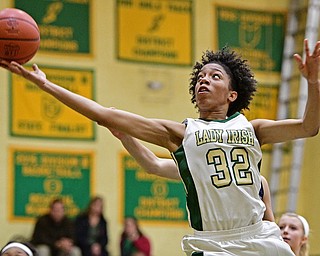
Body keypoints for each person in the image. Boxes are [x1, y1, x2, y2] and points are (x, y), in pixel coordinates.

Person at [1, 38, 319, 255]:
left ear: (232, 94)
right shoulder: (182, 134)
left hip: (258, 238)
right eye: (201, 77)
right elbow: (104, 114)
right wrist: (44, 84)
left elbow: (309, 126)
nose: (204, 80)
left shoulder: (253, 128)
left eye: (215, 76)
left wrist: (314, 84)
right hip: (215, 244)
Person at [110, 129, 275, 222]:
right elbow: (154, 164)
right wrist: (126, 136)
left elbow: (269, 227)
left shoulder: (259, 182)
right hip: (215, 245)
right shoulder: (203, 167)